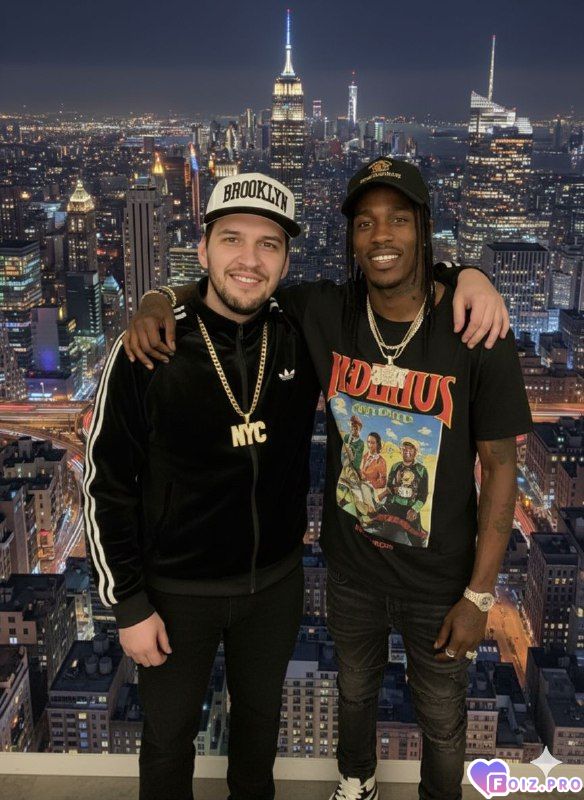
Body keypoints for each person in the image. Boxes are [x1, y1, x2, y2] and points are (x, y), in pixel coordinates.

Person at [121, 160, 519, 800]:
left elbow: (502, 468)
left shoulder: (475, 329)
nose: (380, 234)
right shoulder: (322, 312)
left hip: (437, 580)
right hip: (350, 573)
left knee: (443, 722)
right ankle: (356, 784)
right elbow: (236, 285)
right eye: (364, 223)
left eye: (398, 219)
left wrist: (479, 596)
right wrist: (156, 298)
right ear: (350, 240)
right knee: (351, 693)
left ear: (424, 228)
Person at [83, 174, 321, 800]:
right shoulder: (150, 348)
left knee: (258, 737)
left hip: (274, 585)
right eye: (232, 239)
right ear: (203, 249)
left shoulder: (300, 332)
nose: (250, 260)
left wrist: (466, 276)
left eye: (269, 245)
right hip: (174, 593)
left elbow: (387, 293)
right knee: (167, 742)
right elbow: (106, 483)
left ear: (286, 261)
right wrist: (128, 604)